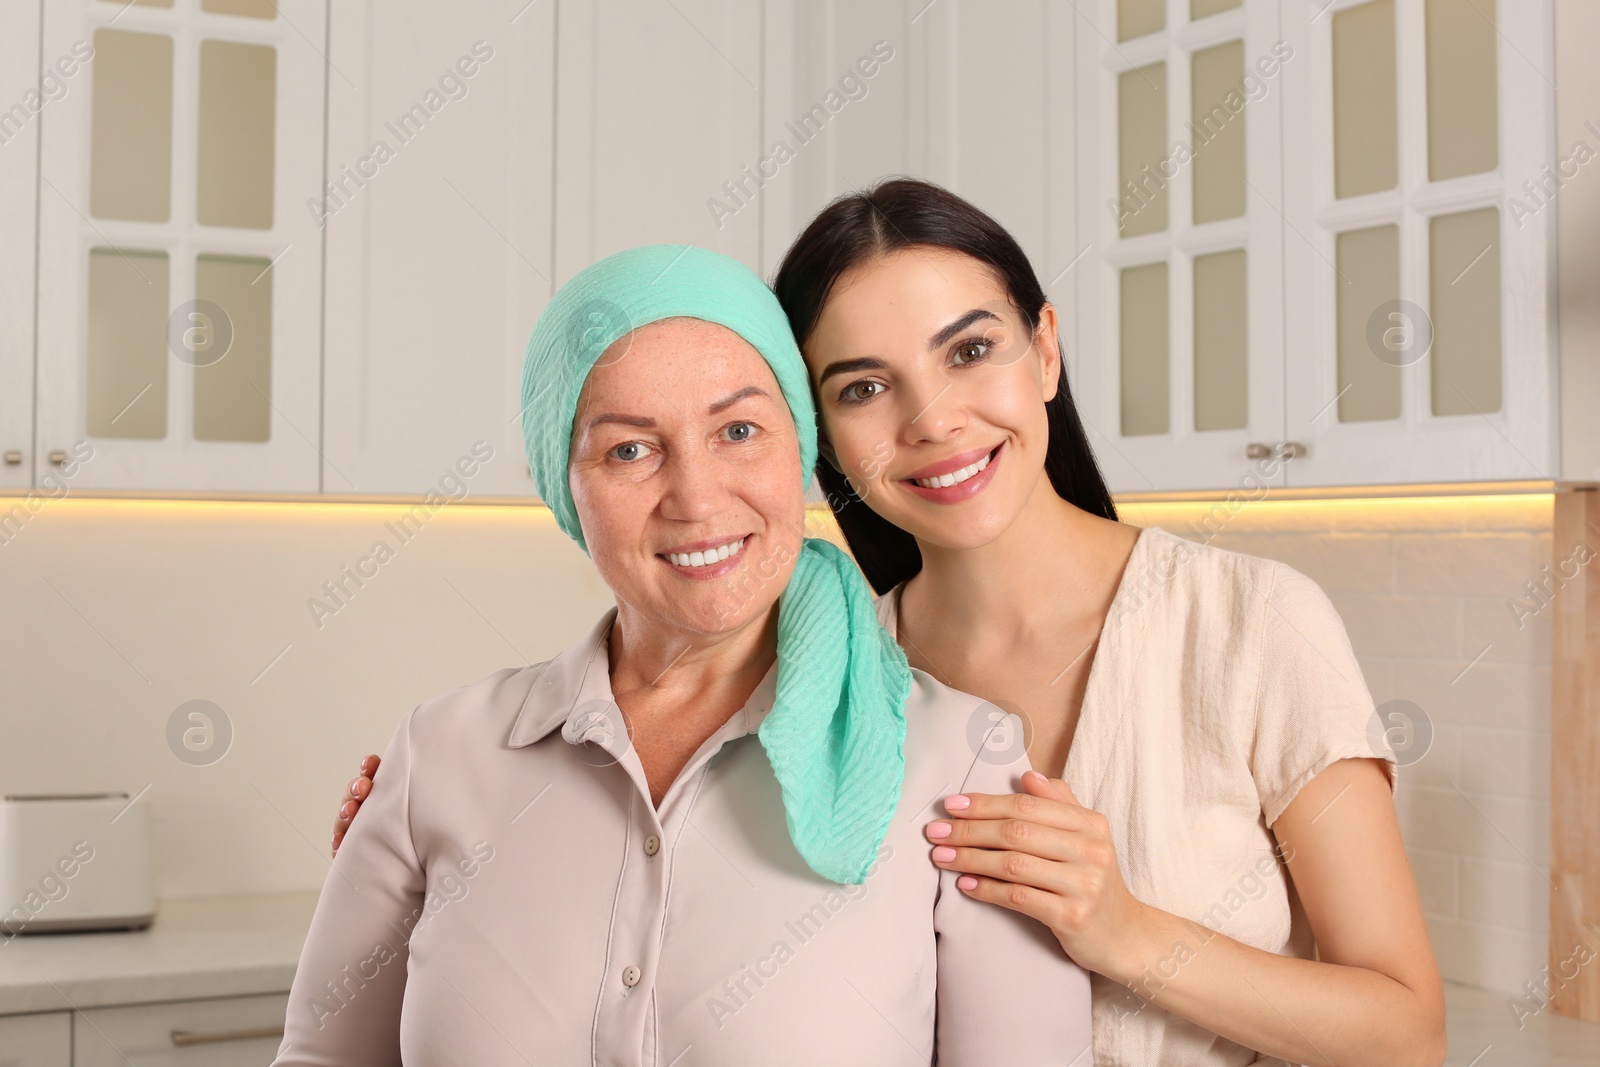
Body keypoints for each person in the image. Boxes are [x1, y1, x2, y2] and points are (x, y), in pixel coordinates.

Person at [283, 244, 1092, 1066]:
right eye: (629, 450)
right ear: (563, 484)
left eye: (739, 430)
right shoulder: (438, 756)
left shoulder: (959, 769)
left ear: (798, 450)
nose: (698, 498)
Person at [773, 178, 1447, 1067]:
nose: (933, 419)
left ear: (1045, 352)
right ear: (819, 431)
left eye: (970, 350)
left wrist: (1126, 934)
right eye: (863, 387)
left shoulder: (1251, 624)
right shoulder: (838, 679)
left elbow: (1407, 1034)